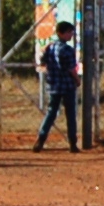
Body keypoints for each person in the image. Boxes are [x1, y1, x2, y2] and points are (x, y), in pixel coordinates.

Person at [34, 20, 82, 151]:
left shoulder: (50, 47)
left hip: (53, 85)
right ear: (61, 33)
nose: (71, 35)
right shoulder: (67, 49)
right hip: (66, 86)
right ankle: (72, 143)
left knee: (51, 113)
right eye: (69, 32)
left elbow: (42, 62)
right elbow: (71, 68)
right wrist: (77, 80)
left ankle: (41, 139)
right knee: (70, 114)